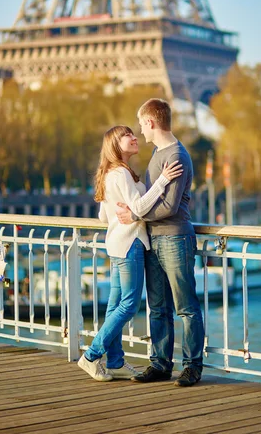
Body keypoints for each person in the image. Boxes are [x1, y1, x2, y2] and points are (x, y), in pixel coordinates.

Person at [78, 124, 183, 382]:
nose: (134, 137)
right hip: (130, 243)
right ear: (115, 144)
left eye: (133, 133)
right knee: (129, 305)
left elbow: (104, 215)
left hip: (116, 243)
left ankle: (115, 362)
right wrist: (163, 181)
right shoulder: (122, 175)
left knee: (115, 305)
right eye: (127, 135)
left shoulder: (111, 173)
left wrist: (120, 210)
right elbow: (138, 207)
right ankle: (91, 355)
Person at [116, 98, 205, 387]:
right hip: (154, 238)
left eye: (142, 124)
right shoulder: (158, 153)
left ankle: (192, 367)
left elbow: (168, 206)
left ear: (151, 122)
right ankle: (160, 363)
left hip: (176, 237)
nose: (140, 131)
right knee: (158, 306)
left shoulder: (177, 155)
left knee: (185, 306)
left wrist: (135, 213)